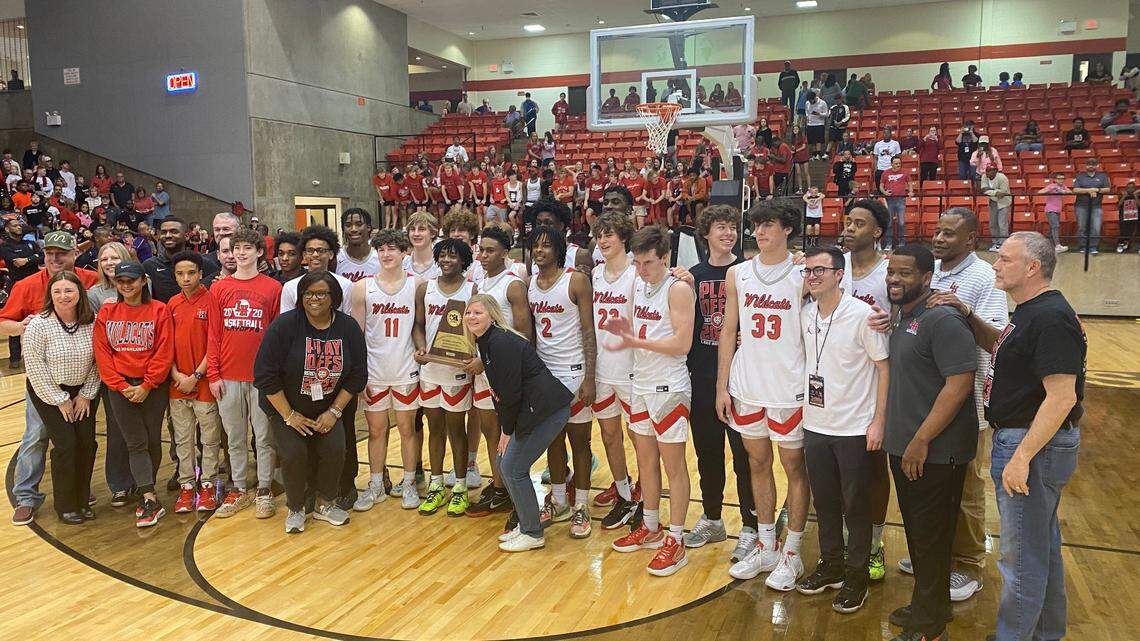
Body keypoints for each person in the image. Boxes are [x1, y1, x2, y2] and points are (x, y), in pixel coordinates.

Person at [937, 232, 1084, 641]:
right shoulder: (1030, 312)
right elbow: (1002, 347)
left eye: (1005, 259)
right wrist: (968, 312)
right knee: (1042, 549)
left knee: (1021, 559)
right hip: (1024, 442)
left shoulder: (1051, 317)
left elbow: (1062, 396)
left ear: (1033, 267)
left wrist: (1022, 457)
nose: (995, 265)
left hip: (1031, 446)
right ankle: (1045, 634)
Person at [900, 207, 1009, 604]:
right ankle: (938, 556)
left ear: (971, 240)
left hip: (967, 399)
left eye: (949, 233)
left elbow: (997, 341)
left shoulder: (984, 278)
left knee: (965, 489)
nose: (939, 238)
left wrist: (965, 310)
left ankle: (969, 565)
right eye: (937, 231)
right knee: (931, 485)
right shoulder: (932, 272)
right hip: (925, 398)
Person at [882, 244, 978, 641]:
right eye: (891, 272)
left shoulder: (943, 319)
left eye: (904, 273)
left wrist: (921, 439)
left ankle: (930, 628)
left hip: (935, 452)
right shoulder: (905, 316)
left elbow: (960, 384)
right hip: (906, 447)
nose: (894, 279)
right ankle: (931, 605)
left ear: (926, 278)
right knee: (921, 538)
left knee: (932, 540)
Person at [718, 201, 811, 591]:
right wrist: (721, 386)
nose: (759, 232)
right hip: (747, 385)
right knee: (757, 463)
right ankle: (767, 544)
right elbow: (728, 331)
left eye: (768, 224)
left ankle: (794, 551)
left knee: (794, 468)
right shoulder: (737, 274)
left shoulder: (804, 273)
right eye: (756, 225)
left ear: (788, 228)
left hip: (788, 387)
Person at [791, 246, 888, 614]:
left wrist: (878, 421)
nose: (812, 276)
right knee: (825, 503)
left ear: (838, 274)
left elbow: (884, 368)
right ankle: (831, 565)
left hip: (854, 429)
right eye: (808, 271)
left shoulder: (863, 316)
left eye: (820, 270)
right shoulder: (805, 314)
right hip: (815, 425)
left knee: (856, 506)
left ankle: (856, 576)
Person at [606, 225, 695, 577]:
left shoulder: (678, 289)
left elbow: (682, 344)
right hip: (640, 383)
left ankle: (677, 539)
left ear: (665, 258)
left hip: (669, 387)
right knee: (645, 462)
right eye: (638, 263)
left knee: (675, 467)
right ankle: (652, 526)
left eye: (648, 263)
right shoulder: (638, 285)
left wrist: (635, 342)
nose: (641, 269)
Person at [254, 270, 367, 533]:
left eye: (321, 293)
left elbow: (358, 374)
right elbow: (264, 375)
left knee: (335, 449)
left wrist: (334, 412)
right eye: (308, 293)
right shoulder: (284, 326)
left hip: (328, 407)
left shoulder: (348, 327)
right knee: (294, 453)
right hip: (286, 407)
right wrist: (289, 415)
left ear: (333, 297)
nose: (313, 299)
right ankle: (295, 508)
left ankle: (325, 503)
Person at [3, 231, 100, 526]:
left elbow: (98, 355)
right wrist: (22, 327)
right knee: (37, 436)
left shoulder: (91, 281)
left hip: (82, 386)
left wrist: (86, 393)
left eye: (62, 253)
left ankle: (78, 494)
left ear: (75, 255)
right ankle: (27, 497)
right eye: (50, 253)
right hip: (46, 384)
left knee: (85, 443)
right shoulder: (26, 286)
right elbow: (4, 324)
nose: (55, 258)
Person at [463, 295, 571, 552]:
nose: (471, 317)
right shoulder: (486, 341)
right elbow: (502, 394)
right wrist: (507, 429)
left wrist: (507, 430)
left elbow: (510, 394)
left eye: (478, 312)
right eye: (468, 312)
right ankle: (526, 524)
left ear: (492, 315)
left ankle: (533, 533)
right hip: (531, 410)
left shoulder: (500, 342)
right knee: (504, 463)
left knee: (512, 467)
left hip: (547, 410)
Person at [683, 206, 757, 561]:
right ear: (706, 234)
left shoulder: (747, 273)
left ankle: (751, 527)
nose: (728, 233)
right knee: (708, 454)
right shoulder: (692, 276)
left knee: (745, 458)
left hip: (741, 379)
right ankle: (713, 518)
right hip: (702, 376)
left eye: (732, 227)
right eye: (721, 227)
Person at [207, 228, 283, 519]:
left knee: (264, 436)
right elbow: (213, 333)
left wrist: (275, 375)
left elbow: (276, 335)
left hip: (261, 377)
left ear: (259, 252)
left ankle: (264, 488)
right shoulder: (219, 288)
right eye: (235, 248)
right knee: (234, 437)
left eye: (247, 248)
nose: (240, 253)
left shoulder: (272, 288)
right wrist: (213, 374)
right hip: (227, 375)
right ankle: (238, 488)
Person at [94, 261, 176, 528]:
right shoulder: (108, 312)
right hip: (120, 388)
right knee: (135, 442)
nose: (126, 285)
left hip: (152, 387)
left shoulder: (159, 310)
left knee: (151, 439)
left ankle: (146, 489)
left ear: (143, 281)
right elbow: (102, 353)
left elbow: (164, 351)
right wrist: (120, 386)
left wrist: (147, 385)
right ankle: (149, 497)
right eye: (121, 281)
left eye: (131, 280)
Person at [527, 226, 597, 536]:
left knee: (580, 442)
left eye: (546, 246)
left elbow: (589, 331)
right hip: (545, 374)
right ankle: (557, 500)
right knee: (552, 441)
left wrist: (590, 377)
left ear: (558, 250)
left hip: (574, 372)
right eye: (536, 245)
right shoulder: (530, 284)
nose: (539, 250)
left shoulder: (576, 280)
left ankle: (581, 505)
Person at [350, 229, 420, 511]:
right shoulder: (362, 287)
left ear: (404, 252)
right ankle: (376, 484)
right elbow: (357, 335)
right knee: (376, 431)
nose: (386, 254)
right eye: (381, 249)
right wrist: (359, 374)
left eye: (392, 249)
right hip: (374, 372)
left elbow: (421, 327)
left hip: (406, 368)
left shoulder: (418, 284)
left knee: (407, 429)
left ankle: (410, 483)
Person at [24, 272, 102, 525]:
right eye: (57, 291)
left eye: (69, 290)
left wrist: (86, 395)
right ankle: (66, 505)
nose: (63, 296)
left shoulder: (92, 322)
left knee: (87, 443)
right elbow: (35, 367)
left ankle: (82, 500)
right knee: (67, 445)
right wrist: (60, 399)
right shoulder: (39, 325)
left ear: (80, 293)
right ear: (50, 295)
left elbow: (99, 361)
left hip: (84, 392)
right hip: (48, 392)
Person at [464, 224, 530, 516]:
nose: (484, 255)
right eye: (481, 250)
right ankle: (499, 485)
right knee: (489, 430)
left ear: (505, 253)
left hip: (503, 373)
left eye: (490, 251)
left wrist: (488, 359)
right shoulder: (479, 286)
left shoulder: (513, 285)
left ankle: (510, 489)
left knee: (506, 433)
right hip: (482, 372)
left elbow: (523, 335)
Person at [586, 213, 642, 530]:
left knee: (639, 438)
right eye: (599, 235)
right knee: (609, 435)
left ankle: (645, 493)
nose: (603, 240)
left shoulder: (637, 274)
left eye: (609, 235)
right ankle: (623, 493)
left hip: (632, 369)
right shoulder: (595, 274)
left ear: (623, 237)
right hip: (602, 369)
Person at [413, 238, 476, 516]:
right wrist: (420, 347)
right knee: (434, 428)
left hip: (457, 371)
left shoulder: (472, 289)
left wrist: (472, 355)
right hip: (430, 370)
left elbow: (478, 328)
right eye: (443, 255)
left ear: (463, 260)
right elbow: (418, 325)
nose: (447, 260)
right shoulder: (425, 288)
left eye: (453, 256)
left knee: (456, 429)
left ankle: (460, 487)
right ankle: (436, 485)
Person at [166, 251, 223, 513]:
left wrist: (197, 375)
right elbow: (165, 345)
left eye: (191, 273)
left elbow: (214, 343)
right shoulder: (172, 304)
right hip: (177, 385)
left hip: (203, 383)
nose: (186, 278)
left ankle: (208, 483)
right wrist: (176, 375)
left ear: (201, 273)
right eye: (180, 274)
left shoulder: (211, 300)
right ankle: (187, 485)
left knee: (210, 438)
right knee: (183, 439)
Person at [143, 217, 219, 302]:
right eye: (164, 232)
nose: (168, 235)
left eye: (174, 232)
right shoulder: (149, 266)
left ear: (186, 236)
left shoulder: (203, 263)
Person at [0, 218, 41, 366]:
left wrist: (28, 259)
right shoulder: (5, 247)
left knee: (40, 318)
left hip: (36, 286)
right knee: (15, 320)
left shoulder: (29, 243)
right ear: (7, 229)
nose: (19, 227)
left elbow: (42, 256)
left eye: (19, 225)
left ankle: (38, 356)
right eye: (15, 225)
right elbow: (17, 262)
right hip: (17, 286)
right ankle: (15, 358)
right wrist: (33, 258)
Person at [1071, 157, 1110, 254]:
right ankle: (1083, 246)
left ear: (1097, 166)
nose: (1091, 166)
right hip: (1081, 206)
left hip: (1096, 206)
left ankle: (1093, 247)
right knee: (1082, 227)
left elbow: (1107, 189)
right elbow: (1075, 190)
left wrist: (1097, 190)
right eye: (1089, 164)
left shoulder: (1102, 176)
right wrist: (1089, 190)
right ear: (1086, 166)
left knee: (1096, 227)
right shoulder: (1080, 176)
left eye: (1093, 164)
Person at [335, 208, 379, 283]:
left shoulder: (380, 257)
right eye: (348, 225)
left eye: (359, 224)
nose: (353, 229)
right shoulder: (336, 258)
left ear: (368, 227)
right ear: (343, 229)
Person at [981, 165, 1012, 251]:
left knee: (1002, 224)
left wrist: (989, 190)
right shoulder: (984, 176)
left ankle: (1003, 244)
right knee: (993, 224)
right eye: (987, 171)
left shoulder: (1002, 178)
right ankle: (996, 243)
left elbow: (1002, 193)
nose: (987, 173)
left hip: (1003, 203)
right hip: (993, 202)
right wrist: (995, 192)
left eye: (990, 171)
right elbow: (983, 189)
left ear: (995, 171)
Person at [1037, 173, 1070, 252]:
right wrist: (1050, 189)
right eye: (1059, 179)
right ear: (1055, 179)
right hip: (1051, 210)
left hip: (1058, 210)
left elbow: (1070, 192)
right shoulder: (1051, 186)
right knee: (1055, 226)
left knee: (1052, 228)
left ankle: (1046, 245)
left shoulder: (1063, 186)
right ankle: (1057, 245)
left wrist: (1062, 191)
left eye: (1062, 179)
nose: (1061, 180)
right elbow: (1040, 192)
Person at [804, 91, 830, 160]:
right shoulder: (807, 103)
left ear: (815, 98)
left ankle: (818, 154)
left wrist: (819, 114)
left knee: (818, 140)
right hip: (810, 123)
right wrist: (807, 116)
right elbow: (806, 111)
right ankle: (814, 154)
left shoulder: (822, 103)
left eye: (811, 100)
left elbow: (826, 114)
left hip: (819, 123)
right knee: (812, 141)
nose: (810, 102)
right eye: (809, 100)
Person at [825, 94, 850, 159]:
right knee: (831, 140)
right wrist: (832, 121)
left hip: (841, 127)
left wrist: (841, 122)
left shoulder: (845, 107)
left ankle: (839, 153)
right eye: (836, 100)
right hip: (833, 127)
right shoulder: (832, 107)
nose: (837, 101)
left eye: (838, 100)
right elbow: (829, 115)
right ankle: (827, 153)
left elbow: (847, 116)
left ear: (841, 99)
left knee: (841, 141)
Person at [1117, 179, 1138, 253]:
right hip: (1124, 217)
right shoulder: (1123, 195)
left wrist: (1135, 196)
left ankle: (1129, 245)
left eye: (1132, 188)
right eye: (1128, 188)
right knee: (1123, 232)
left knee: (1133, 232)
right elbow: (1118, 205)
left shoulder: (1137, 195)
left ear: (1135, 189)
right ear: (1126, 188)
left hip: (1134, 217)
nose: (1130, 189)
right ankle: (1121, 244)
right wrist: (1124, 196)